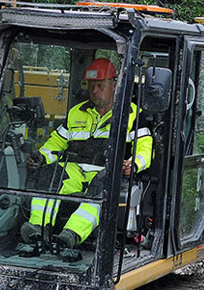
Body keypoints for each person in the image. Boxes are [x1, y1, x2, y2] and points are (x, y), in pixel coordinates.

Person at [21, 58, 153, 249]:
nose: (94, 91)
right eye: (91, 85)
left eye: (100, 85)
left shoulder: (132, 114)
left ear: (114, 84)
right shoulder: (77, 113)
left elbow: (144, 148)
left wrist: (134, 164)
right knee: (48, 174)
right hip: (74, 170)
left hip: (106, 170)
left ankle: (71, 234)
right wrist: (41, 157)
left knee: (103, 184)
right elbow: (56, 143)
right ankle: (37, 230)